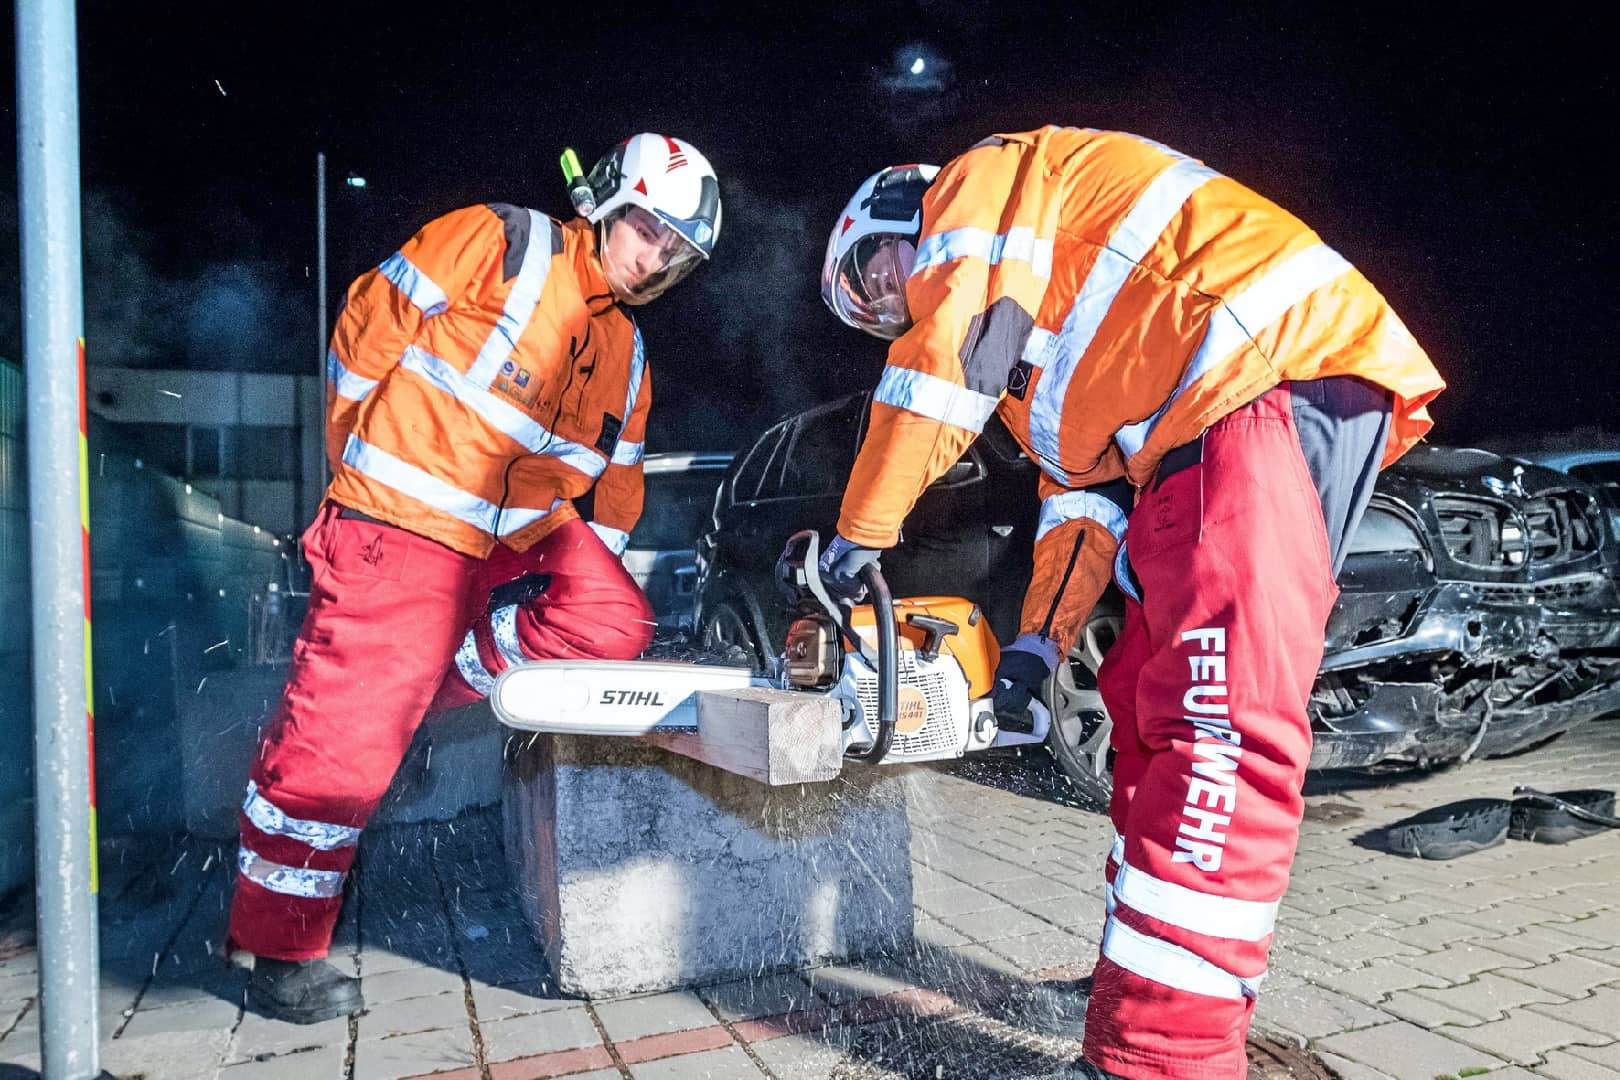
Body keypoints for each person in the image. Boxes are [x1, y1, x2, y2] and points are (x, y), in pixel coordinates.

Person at [815, 126, 1443, 1079]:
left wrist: (857, 534)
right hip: (1199, 425)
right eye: (868, 310)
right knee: (1145, 711)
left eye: (873, 277)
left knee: (1218, 729)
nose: (887, 305)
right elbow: (1080, 507)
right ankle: (1139, 980)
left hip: (1257, 379)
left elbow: (939, 364)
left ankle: (1161, 1055)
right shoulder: (1050, 350)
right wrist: (1034, 649)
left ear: (894, 216)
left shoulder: (977, 188)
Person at [228, 133, 722, 1024]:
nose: (656, 260)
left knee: (612, 618)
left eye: (676, 253)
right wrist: (359, 464)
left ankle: (421, 693)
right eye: (649, 230)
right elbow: (369, 319)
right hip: (404, 521)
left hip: (512, 532)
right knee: (343, 744)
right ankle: (279, 950)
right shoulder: (503, 240)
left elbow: (618, 485)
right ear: (607, 202)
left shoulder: (628, 352)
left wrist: (586, 562)